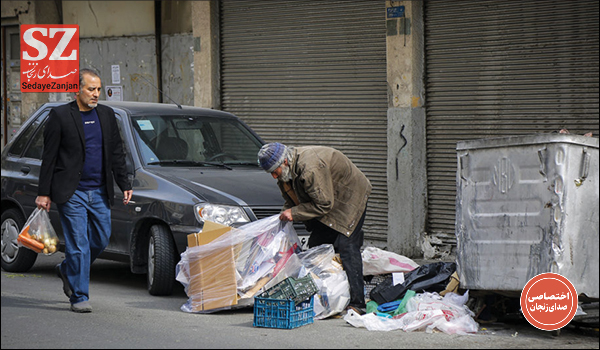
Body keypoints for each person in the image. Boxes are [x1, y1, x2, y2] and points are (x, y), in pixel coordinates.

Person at [35, 68, 133, 313]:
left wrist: (125, 184)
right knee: (78, 244)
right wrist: (43, 192)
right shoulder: (60, 116)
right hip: (72, 192)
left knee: (100, 239)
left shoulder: (107, 115)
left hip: (100, 191)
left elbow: (117, 153)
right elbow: (49, 157)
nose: (96, 94)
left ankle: (67, 269)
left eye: (98, 89)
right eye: (91, 89)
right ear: (76, 89)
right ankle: (79, 296)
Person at [258, 142, 372, 314]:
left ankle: (358, 304)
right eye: (271, 173)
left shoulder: (310, 167)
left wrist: (294, 213)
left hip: (349, 197)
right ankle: (325, 296)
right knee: (316, 247)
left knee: (347, 246)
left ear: (285, 162)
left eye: (275, 171)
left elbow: (324, 204)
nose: (274, 176)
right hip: (327, 199)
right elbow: (292, 200)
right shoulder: (285, 175)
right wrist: (282, 218)